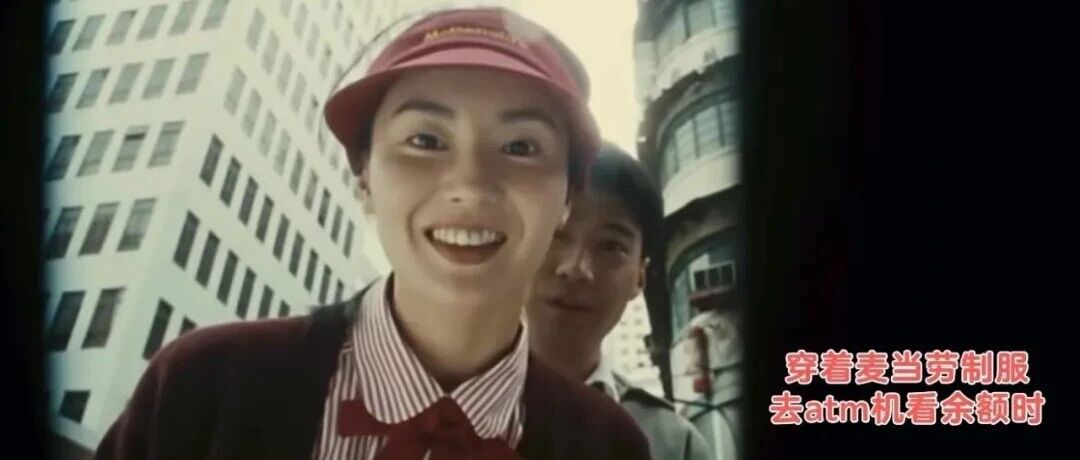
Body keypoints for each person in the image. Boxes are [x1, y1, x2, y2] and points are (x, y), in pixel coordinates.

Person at [92, 8, 651, 460]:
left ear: (567, 199)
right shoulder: (201, 387)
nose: (470, 187)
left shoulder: (609, 446)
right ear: (364, 177)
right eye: (425, 141)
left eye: (521, 147)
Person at [527, 143, 721, 460]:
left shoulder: (673, 444)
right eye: (555, 233)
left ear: (639, 278)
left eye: (611, 246)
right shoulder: (447, 400)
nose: (575, 269)